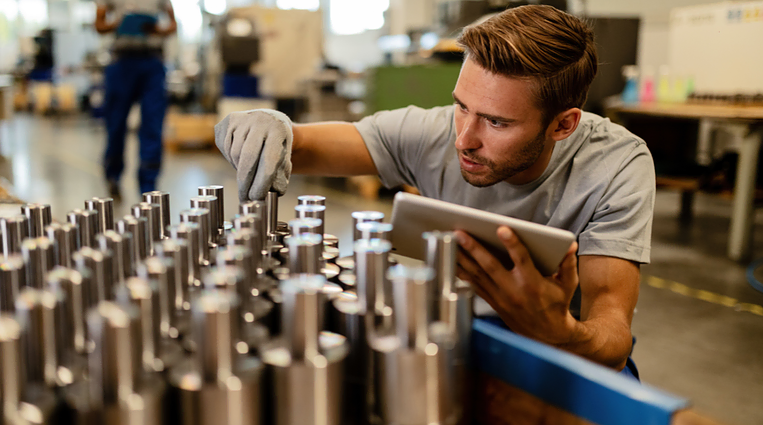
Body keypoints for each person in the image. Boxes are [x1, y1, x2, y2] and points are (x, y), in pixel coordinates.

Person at [215, 5, 654, 378]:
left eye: (497, 122)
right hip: (460, 327)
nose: (463, 138)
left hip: (569, 348)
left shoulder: (616, 165)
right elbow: (305, 145)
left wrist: (559, 332)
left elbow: (612, 336)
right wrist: (264, 125)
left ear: (563, 124)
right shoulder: (432, 132)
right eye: (462, 106)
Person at [95, 0, 177, 196]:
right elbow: (99, 25)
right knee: (115, 125)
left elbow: (172, 24)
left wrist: (157, 29)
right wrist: (120, 23)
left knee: (152, 124)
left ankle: (148, 184)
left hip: (152, 64)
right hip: (122, 63)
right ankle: (113, 175)